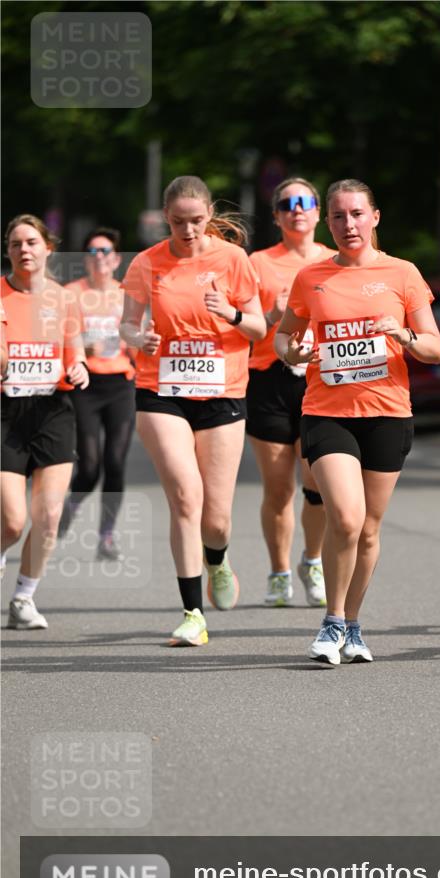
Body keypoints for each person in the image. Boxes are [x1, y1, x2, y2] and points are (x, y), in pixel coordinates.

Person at [275, 178, 440, 665]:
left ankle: (352, 623)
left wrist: (405, 334)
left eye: (356, 214)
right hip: (327, 412)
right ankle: (331, 621)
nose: (347, 224)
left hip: (388, 414)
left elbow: (433, 349)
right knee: (345, 518)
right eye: (338, 216)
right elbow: (284, 338)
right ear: (328, 222)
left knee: (369, 529)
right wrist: (296, 352)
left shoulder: (403, 273)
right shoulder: (311, 277)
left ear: (374, 217)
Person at [120, 175, 265, 646]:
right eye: (179, 222)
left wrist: (231, 313)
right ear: (166, 218)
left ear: (209, 216)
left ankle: (217, 560)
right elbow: (126, 324)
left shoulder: (233, 259)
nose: (188, 230)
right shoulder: (147, 263)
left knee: (216, 518)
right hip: (161, 388)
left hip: (223, 392)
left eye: (197, 221)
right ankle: (192, 613)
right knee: (185, 495)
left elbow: (260, 330)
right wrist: (137, 338)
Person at [248, 177, 333, 607]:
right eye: (287, 203)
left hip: (321, 376)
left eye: (305, 202)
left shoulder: (336, 261)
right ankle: (279, 572)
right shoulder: (259, 263)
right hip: (269, 377)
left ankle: (312, 559)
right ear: (277, 214)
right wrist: (274, 314)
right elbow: (243, 328)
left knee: (317, 481)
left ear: (318, 211)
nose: (297, 209)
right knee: (279, 487)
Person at [1, 214, 89, 628]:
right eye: (16, 243)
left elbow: (76, 351)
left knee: (49, 515)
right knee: (12, 520)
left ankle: (23, 598)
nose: (24, 250)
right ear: (8, 251)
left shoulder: (63, 298)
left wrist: (81, 369)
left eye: (32, 242)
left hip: (53, 409)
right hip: (6, 412)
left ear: (48, 248)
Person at [58, 227, 135, 560]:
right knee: (89, 466)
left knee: (115, 462)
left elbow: (140, 339)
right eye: (92, 252)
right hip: (85, 386)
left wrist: (135, 342)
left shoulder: (128, 293)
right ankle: (69, 508)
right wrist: (80, 348)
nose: (99, 258)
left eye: (105, 252)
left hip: (121, 384)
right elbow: (57, 339)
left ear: (116, 259)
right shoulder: (71, 294)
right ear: (85, 261)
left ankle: (106, 536)